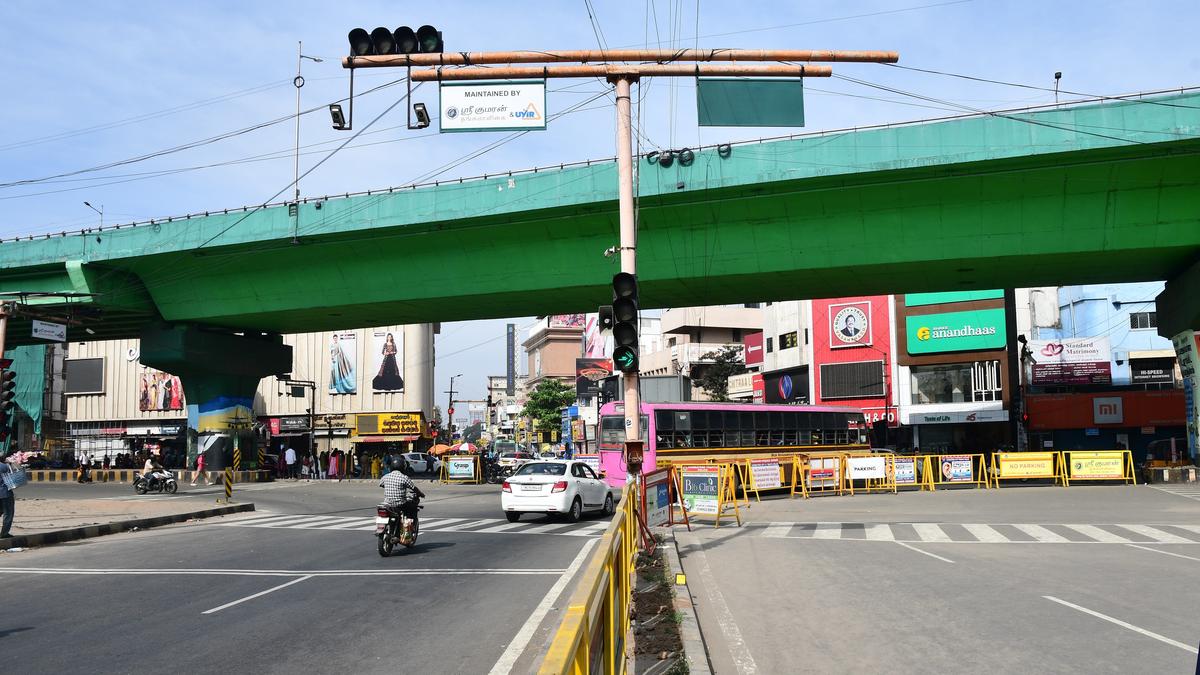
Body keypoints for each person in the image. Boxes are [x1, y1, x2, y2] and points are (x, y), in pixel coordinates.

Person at [379, 456, 424, 525]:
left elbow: (381, 484)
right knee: (412, 507)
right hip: (400, 504)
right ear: (403, 467)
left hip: (387, 504)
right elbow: (413, 488)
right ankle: (409, 526)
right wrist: (420, 494)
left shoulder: (386, 476)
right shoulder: (404, 477)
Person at [0, 457, 16, 538]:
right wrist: (10, 464)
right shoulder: (4, 466)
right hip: (5, 493)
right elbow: (12, 478)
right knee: (8, 513)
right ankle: (4, 533)